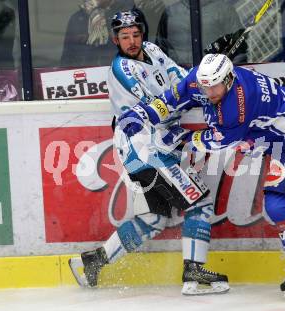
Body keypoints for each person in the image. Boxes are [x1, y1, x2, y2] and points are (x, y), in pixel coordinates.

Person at [118, 54, 285, 299]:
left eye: (214, 86)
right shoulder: (199, 80)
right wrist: (143, 113)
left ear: (229, 79)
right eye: (204, 86)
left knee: (278, 202)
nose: (209, 92)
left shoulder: (237, 105)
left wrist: (183, 139)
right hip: (279, 132)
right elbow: (172, 99)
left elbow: (221, 140)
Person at [69, 10, 229, 296]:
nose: (131, 41)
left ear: (143, 34)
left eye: (135, 35)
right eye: (124, 37)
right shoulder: (122, 69)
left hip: (153, 148)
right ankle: (193, 273)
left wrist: (204, 71)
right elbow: (165, 104)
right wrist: (198, 87)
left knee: (155, 218)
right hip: (146, 150)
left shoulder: (153, 50)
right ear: (114, 40)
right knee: (200, 202)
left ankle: (94, 261)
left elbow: (180, 80)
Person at [155, 0, 245, 65]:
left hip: (216, 79)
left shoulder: (223, 9)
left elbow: (239, 49)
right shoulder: (169, 13)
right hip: (180, 79)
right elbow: (160, 50)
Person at [60, 0, 138, 67]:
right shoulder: (78, 18)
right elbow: (68, 55)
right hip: (88, 77)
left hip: (120, 72)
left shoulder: (127, 12)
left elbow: (135, 48)